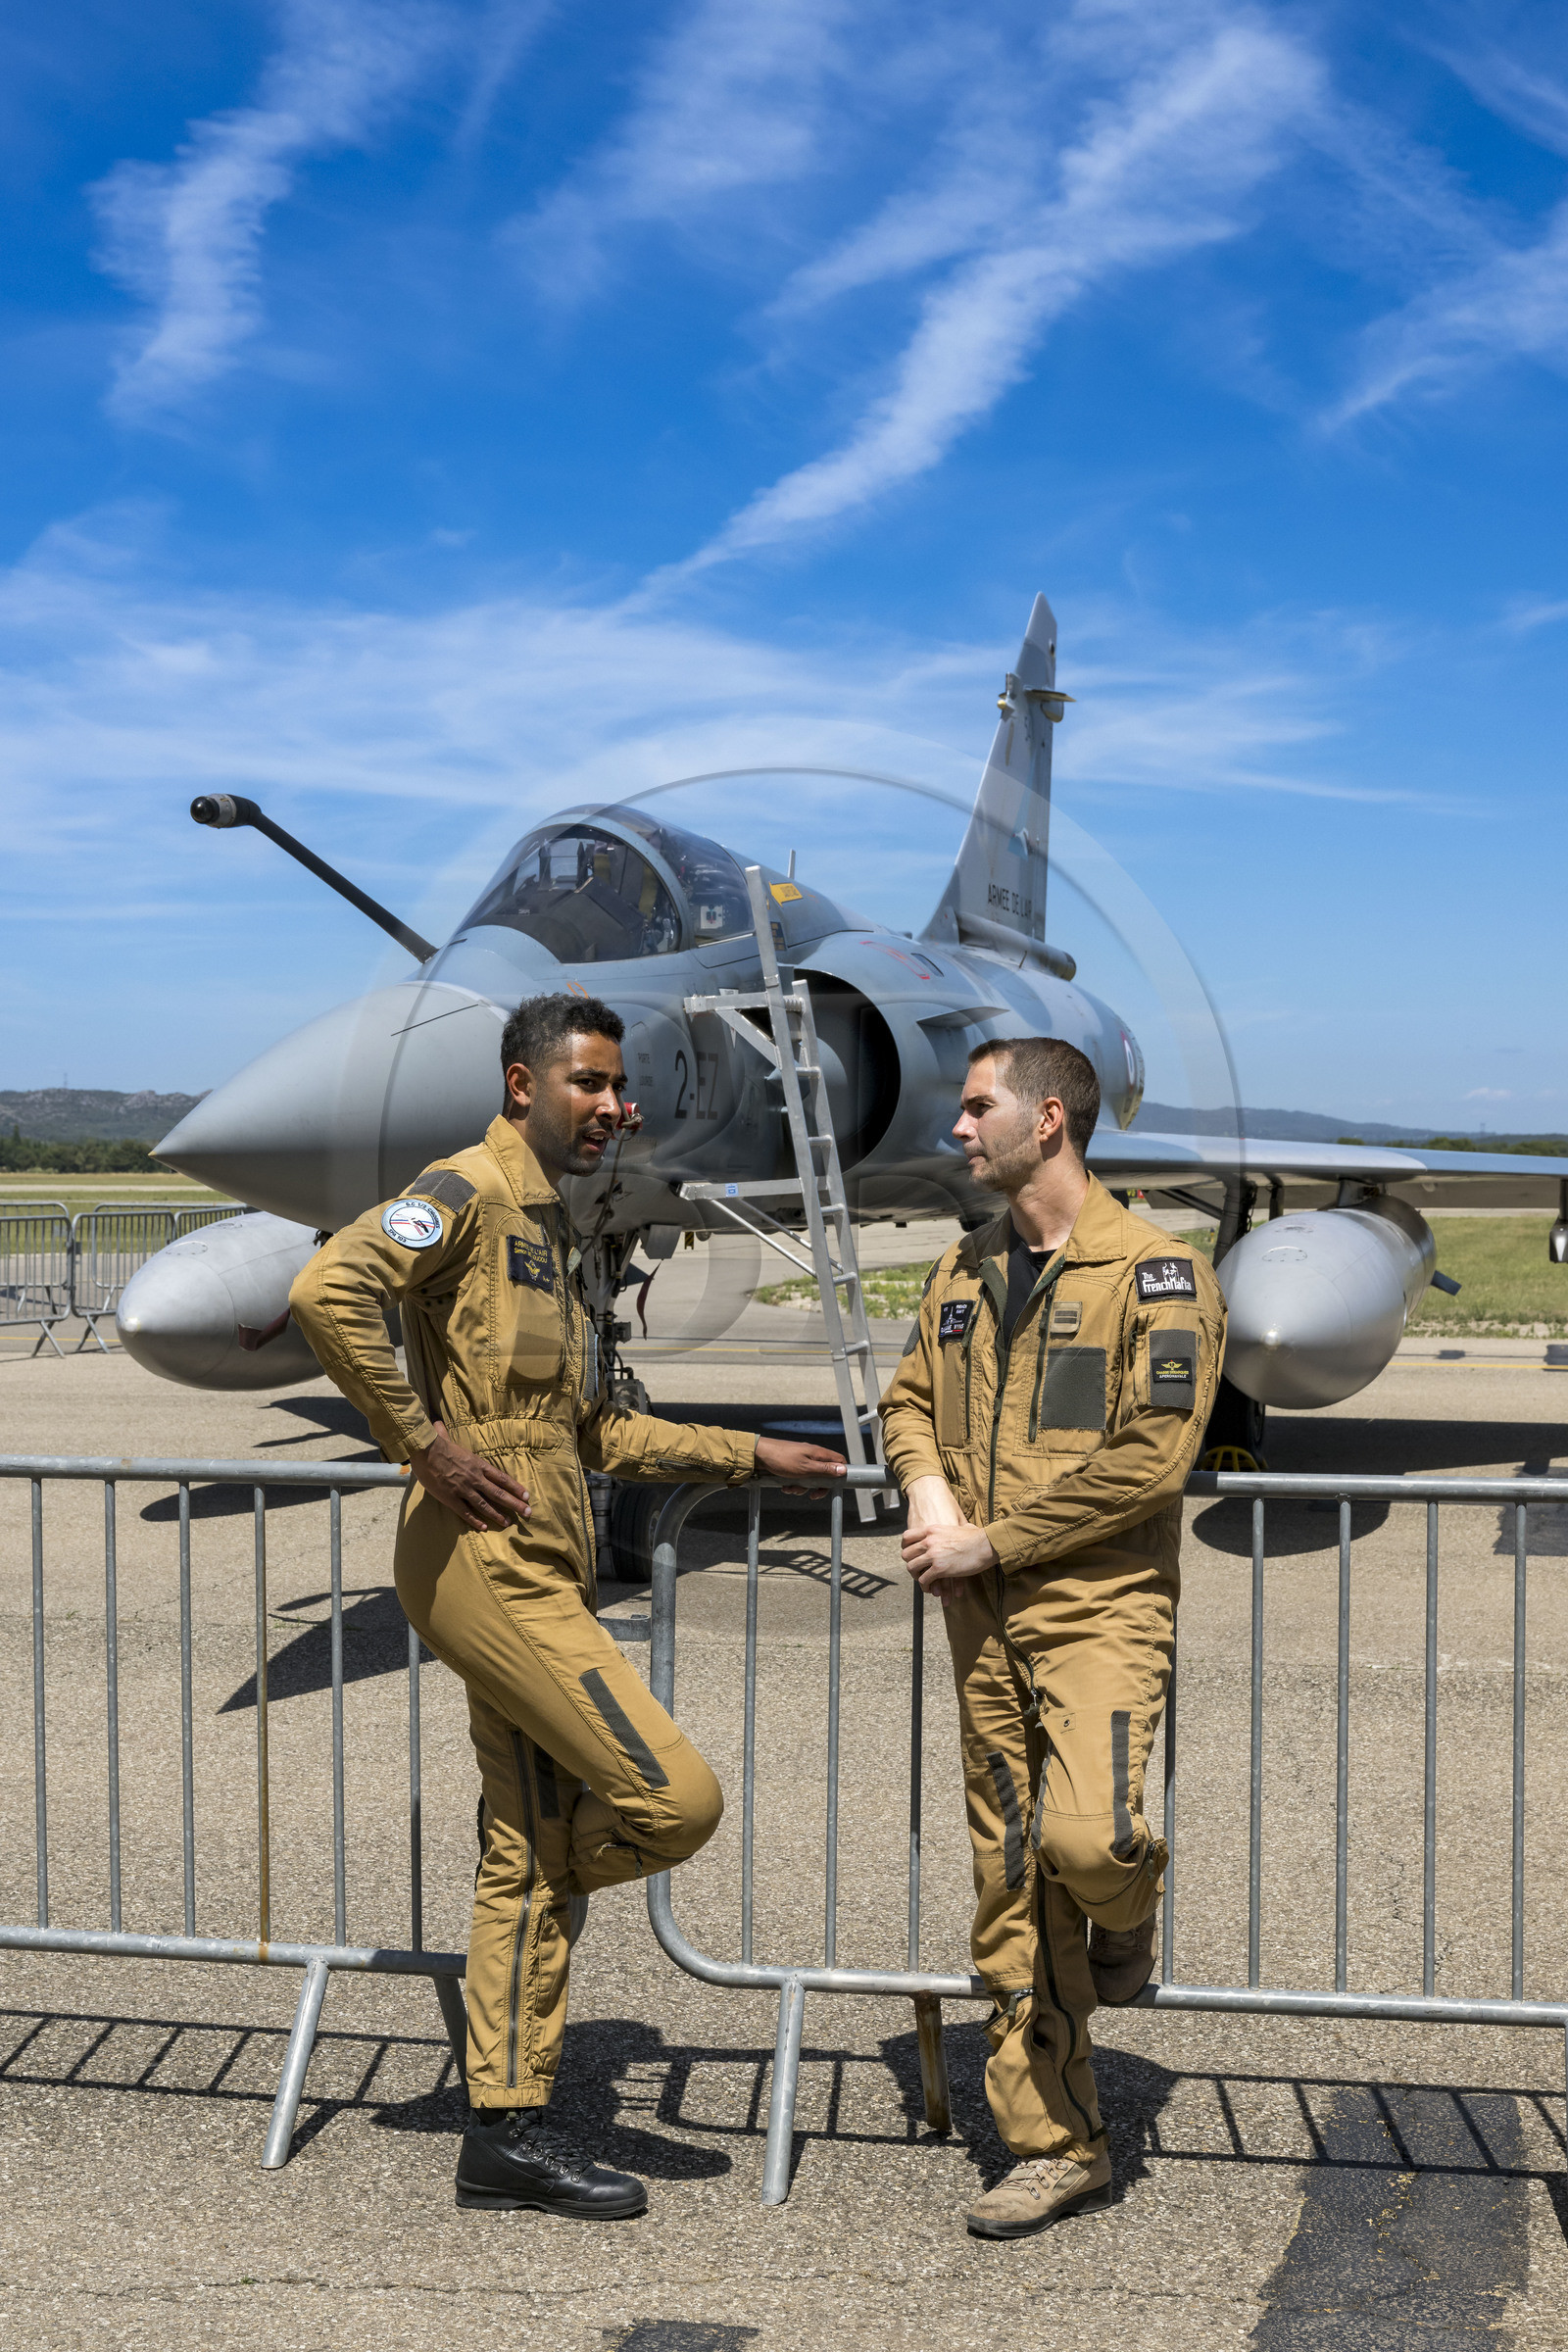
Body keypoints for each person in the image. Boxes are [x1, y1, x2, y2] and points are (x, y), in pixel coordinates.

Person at [289, 991, 844, 2220]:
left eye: (616, 1084)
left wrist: (753, 1456)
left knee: (525, 1845)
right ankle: (515, 2066)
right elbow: (333, 1288)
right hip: (484, 1556)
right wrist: (422, 1446)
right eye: (588, 1083)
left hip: (541, 1556)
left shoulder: (550, 1220)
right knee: (672, 1799)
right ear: (520, 1086)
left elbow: (589, 1427)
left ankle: (504, 2132)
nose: (614, 1104)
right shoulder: (468, 1193)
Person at [880, 1036, 1225, 2240]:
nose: (958, 1129)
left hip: (1097, 1610)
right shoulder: (965, 1268)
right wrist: (926, 1491)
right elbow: (909, 1399)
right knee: (1012, 1878)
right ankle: (1055, 2144)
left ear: (1050, 1123)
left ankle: (1127, 1920)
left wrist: (997, 1540)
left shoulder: (1158, 1274)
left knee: (1093, 1841)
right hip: (980, 1625)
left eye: (979, 1109)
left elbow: (1154, 1454)